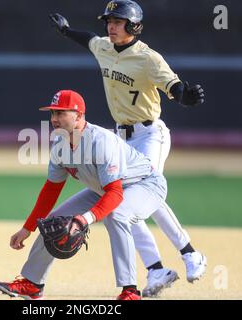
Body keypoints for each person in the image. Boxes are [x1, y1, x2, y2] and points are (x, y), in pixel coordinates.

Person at [49, 0, 207, 297]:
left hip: (149, 135)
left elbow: (174, 88)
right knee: (121, 202)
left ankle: (189, 253)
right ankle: (157, 268)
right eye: (109, 20)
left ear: (134, 26)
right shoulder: (105, 47)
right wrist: (68, 31)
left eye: (118, 21)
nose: (111, 25)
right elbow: (89, 40)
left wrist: (186, 96)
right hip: (120, 137)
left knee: (146, 192)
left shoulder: (148, 58)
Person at [0, 89, 171, 300]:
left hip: (145, 184)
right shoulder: (60, 146)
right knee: (52, 222)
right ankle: (32, 284)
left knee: (118, 215)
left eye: (61, 113)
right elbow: (51, 191)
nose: (54, 119)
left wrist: (84, 219)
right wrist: (27, 227)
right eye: (52, 114)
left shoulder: (101, 141)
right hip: (104, 189)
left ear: (78, 115)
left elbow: (115, 193)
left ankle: (130, 291)